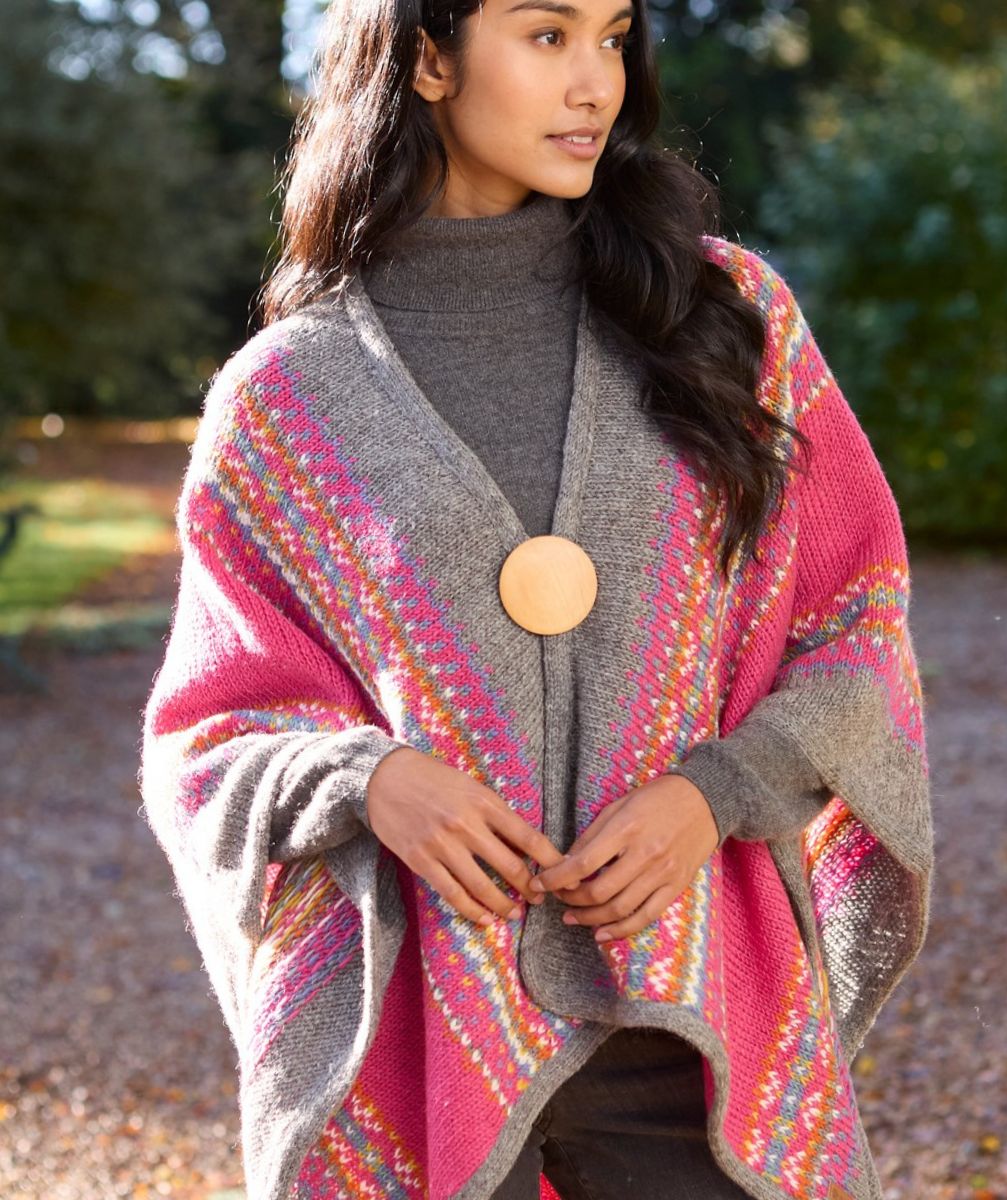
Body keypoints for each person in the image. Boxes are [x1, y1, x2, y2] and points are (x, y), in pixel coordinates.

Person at [138, 0, 936, 1198]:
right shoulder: (285, 402)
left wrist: (716, 793)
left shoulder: (722, 318)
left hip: (692, 1018)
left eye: (613, 39)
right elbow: (206, 735)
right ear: (426, 56)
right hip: (410, 1040)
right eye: (548, 35)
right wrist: (369, 782)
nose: (594, 85)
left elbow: (855, 620)